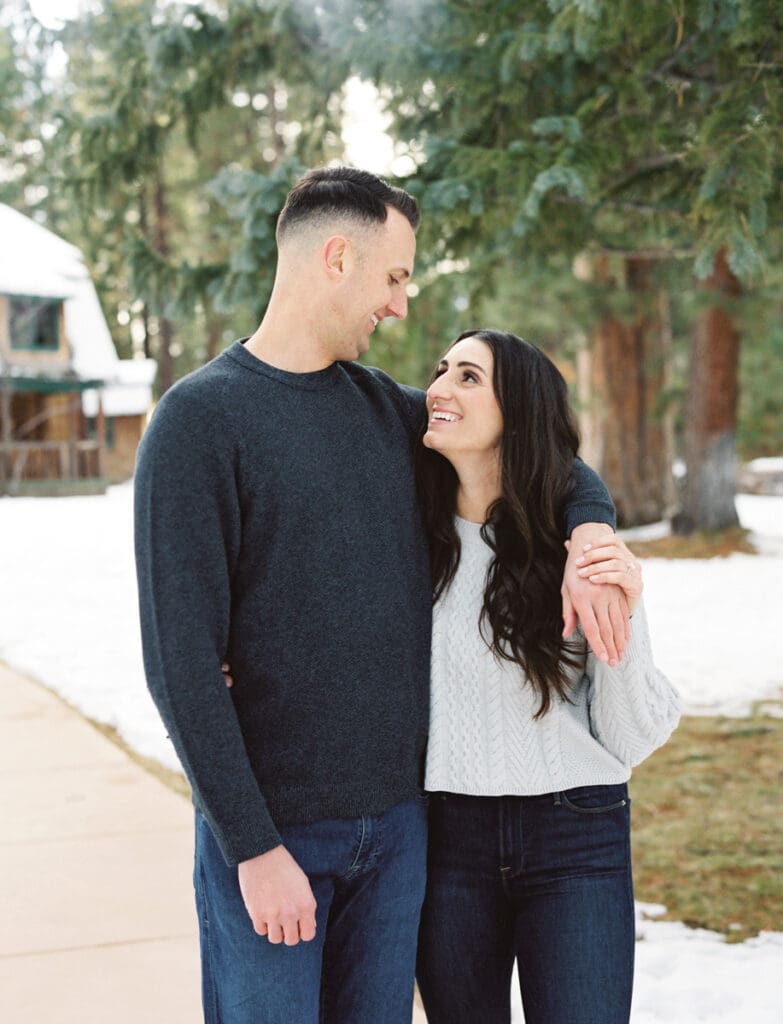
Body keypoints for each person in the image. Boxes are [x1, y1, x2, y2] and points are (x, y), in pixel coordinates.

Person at [134, 168, 622, 1024]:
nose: (399, 305)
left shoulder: (387, 412)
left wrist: (588, 529)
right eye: (394, 277)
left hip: (399, 839)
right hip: (274, 837)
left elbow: (540, 451)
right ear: (335, 258)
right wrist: (253, 849)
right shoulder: (199, 421)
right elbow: (179, 664)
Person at [413, 329, 681, 1024]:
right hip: (447, 839)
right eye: (440, 370)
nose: (438, 388)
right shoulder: (411, 540)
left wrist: (622, 605)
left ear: (519, 411)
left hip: (575, 831)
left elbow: (626, 738)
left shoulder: (577, 552)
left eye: (468, 377)